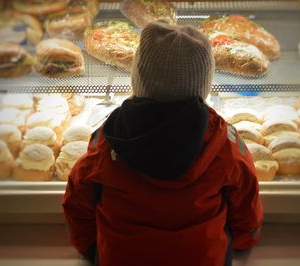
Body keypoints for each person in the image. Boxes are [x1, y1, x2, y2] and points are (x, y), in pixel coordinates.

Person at [63, 21, 263, 266]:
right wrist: (243, 242)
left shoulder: (108, 140)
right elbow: (246, 203)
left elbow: (78, 198)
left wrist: (89, 247)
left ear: (138, 79)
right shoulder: (223, 142)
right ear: (203, 86)